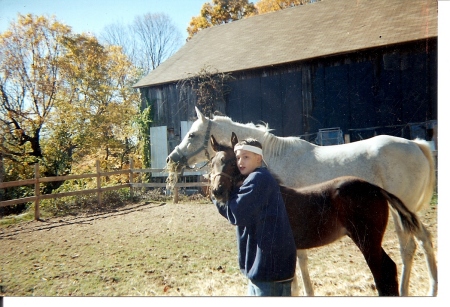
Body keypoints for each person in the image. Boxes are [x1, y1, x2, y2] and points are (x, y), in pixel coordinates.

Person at [212, 138, 297, 296]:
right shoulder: (255, 179)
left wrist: (215, 197)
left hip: (268, 271)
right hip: (264, 270)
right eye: (238, 158)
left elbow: (237, 213)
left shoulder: (259, 179)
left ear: (259, 158)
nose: (240, 162)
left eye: (246, 157)